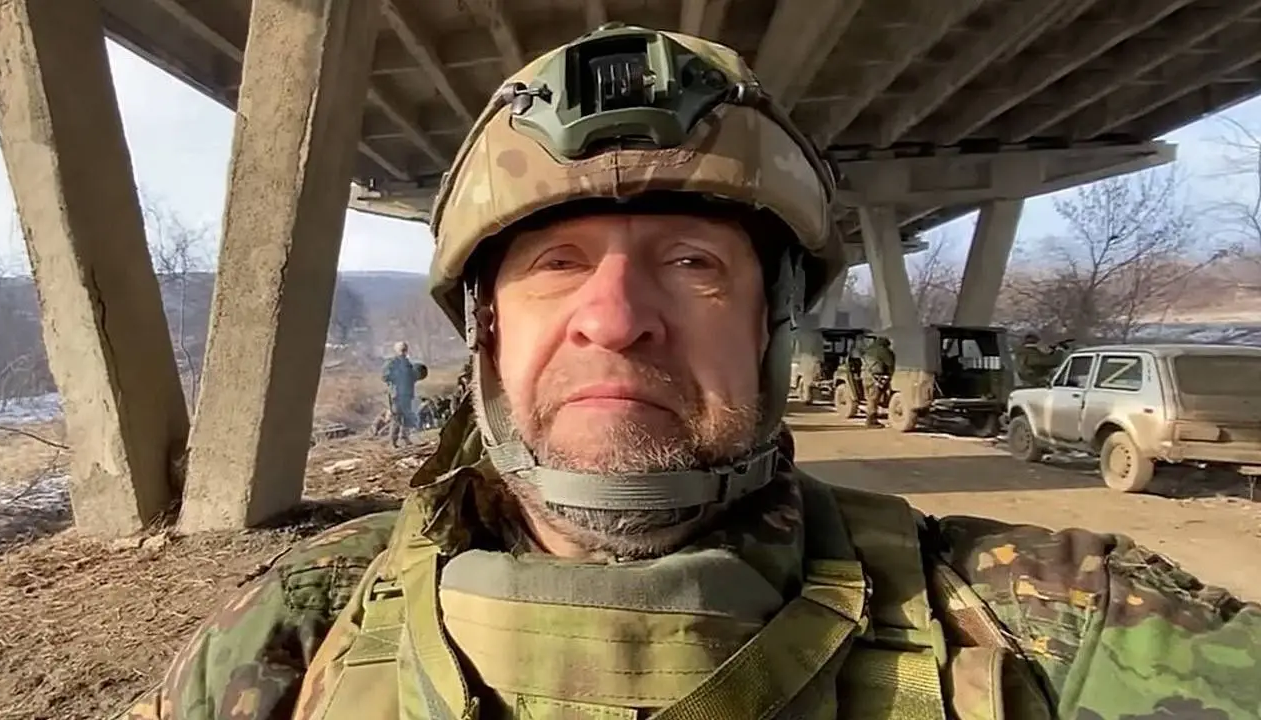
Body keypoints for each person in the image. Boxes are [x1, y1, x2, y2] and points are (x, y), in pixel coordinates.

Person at [112, 24, 1261, 720]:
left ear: (773, 325)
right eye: (556, 264)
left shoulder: (1040, 620)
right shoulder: (297, 631)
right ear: (486, 331)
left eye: (691, 263)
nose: (615, 321)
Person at [381, 340, 419, 447]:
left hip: (407, 395)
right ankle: (393, 442)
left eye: (404, 349)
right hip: (396, 395)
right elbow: (384, 376)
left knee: (407, 417)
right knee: (396, 418)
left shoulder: (408, 363)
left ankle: (405, 438)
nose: (403, 352)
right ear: (397, 351)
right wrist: (397, 377)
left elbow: (413, 377)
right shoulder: (392, 363)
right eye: (401, 350)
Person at [860, 334, 895, 428]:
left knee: (870, 399)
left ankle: (871, 419)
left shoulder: (868, 350)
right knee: (874, 399)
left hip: (865, 376)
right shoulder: (884, 351)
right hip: (875, 377)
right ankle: (871, 421)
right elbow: (890, 364)